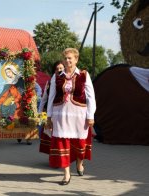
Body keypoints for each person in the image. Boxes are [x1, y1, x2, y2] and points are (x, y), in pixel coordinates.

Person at [46, 48, 96, 185]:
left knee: (80, 144)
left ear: (76, 59)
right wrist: (48, 116)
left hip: (79, 116)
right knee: (63, 144)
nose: (67, 61)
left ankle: (80, 163)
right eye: (65, 58)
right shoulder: (57, 76)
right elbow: (51, 97)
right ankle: (66, 174)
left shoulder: (84, 75)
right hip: (60, 115)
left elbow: (91, 97)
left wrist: (90, 115)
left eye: (70, 58)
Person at [38, 61, 64, 153]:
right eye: (57, 69)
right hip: (50, 112)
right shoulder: (49, 82)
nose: (59, 70)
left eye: (61, 68)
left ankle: (61, 155)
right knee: (49, 135)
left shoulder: (68, 82)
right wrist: (40, 113)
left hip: (62, 113)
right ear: (54, 71)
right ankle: (53, 156)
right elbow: (44, 98)